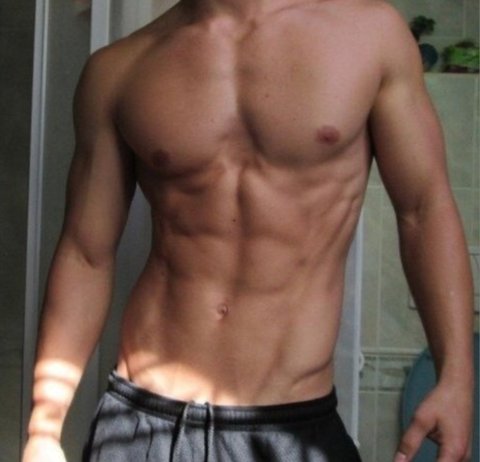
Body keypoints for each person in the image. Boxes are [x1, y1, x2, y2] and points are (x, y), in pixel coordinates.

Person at [22, 0, 474, 461]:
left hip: (294, 425)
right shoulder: (120, 68)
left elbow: (424, 209)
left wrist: (456, 376)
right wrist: (44, 426)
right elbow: (85, 254)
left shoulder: (371, 36)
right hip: (144, 420)